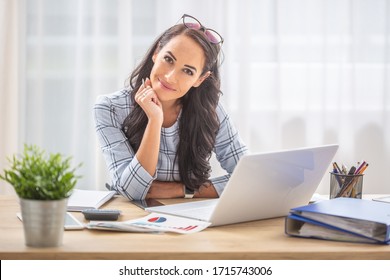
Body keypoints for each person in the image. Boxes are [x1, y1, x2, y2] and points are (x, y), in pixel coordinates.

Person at [94, 14, 247, 201]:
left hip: (191, 216)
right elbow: (133, 191)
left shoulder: (211, 111)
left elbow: (248, 177)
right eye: (169, 59)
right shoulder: (110, 108)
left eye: (188, 71)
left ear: (199, 79)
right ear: (156, 53)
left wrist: (181, 190)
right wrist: (154, 120)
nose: (170, 77)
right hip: (133, 217)